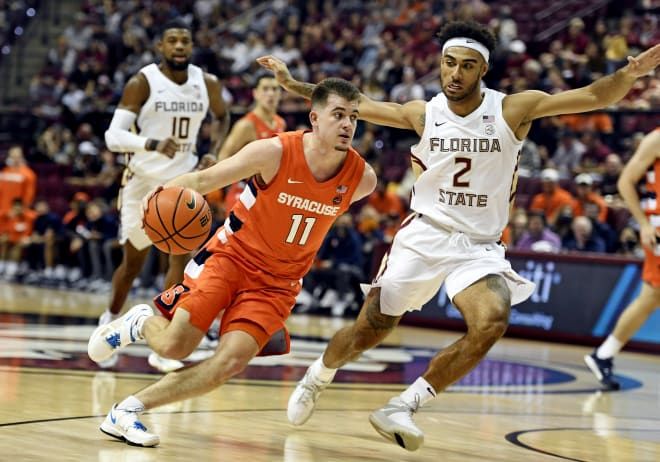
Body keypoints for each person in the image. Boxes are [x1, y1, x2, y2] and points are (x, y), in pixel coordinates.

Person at [258, 21, 660, 452]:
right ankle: (319, 374)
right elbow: (355, 102)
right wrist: (293, 84)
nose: (455, 73)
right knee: (368, 331)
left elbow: (593, 97)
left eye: (467, 66)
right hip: (425, 234)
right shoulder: (423, 113)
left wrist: (628, 77)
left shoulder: (512, 110)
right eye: (449, 63)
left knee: (492, 320)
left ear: (482, 70)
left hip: (479, 246)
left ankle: (404, 405)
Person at [87, 77, 377, 447]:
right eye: (339, 115)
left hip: (278, 284)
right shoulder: (273, 152)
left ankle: (127, 410)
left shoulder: (362, 179)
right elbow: (205, 179)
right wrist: (162, 193)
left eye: (353, 116)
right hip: (231, 257)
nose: (348, 124)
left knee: (230, 362)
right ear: (314, 118)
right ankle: (142, 323)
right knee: (175, 347)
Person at [98, 19, 229, 367]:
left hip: (182, 180)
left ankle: (166, 338)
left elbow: (223, 116)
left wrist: (213, 149)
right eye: (172, 41)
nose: (180, 47)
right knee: (133, 264)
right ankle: (110, 319)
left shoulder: (208, 83)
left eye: (185, 41)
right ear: (161, 46)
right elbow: (113, 136)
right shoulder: (142, 82)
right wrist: (152, 143)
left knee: (180, 259)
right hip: (142, 181)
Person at [584, 127, 660, 390]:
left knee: (650, 298)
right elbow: (625, 182)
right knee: (650, 296)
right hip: (658, 230)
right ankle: (603, 354)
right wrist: (644, 225)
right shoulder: (656, 139)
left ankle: (603, 355)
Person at [216, 74, 286, 210]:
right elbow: (222, 158)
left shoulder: (280, 122)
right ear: (256, 94)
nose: (270, 93)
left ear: (280, 94)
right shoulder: (246, 125)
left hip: (268, 194)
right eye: (265, 89)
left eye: (274, 89)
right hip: (243, 194)